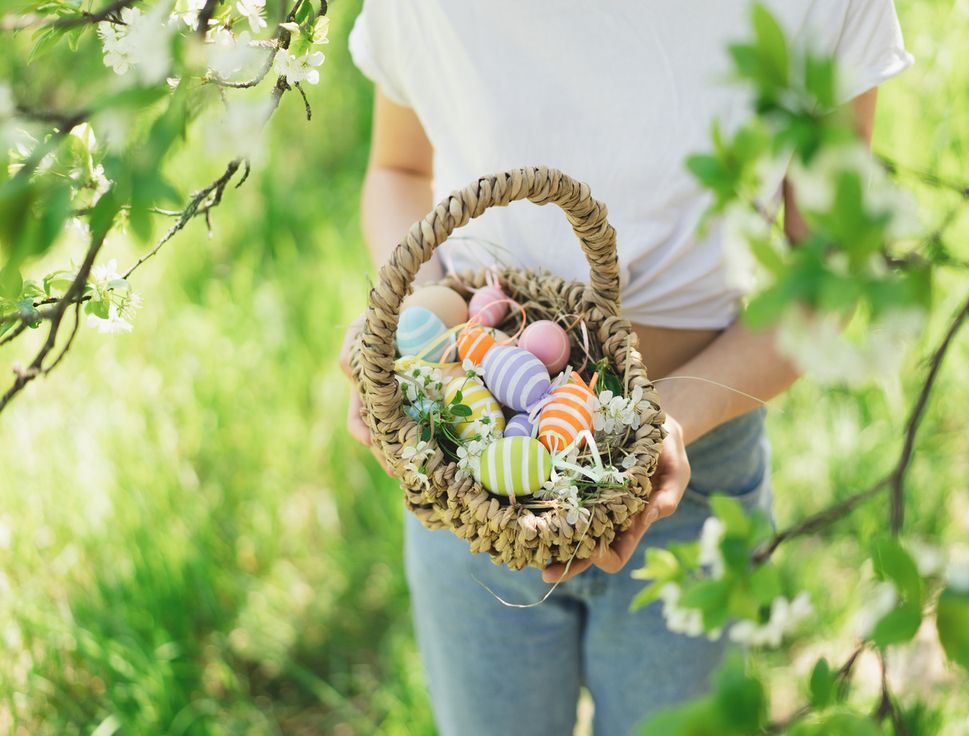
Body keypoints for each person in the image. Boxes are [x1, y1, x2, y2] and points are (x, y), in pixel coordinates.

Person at [338, 1, 913, 733]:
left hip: (697, 470)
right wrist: (410, 333)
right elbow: (397, 166)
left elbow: (825, 271)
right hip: (465, 468)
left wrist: (668, 417)